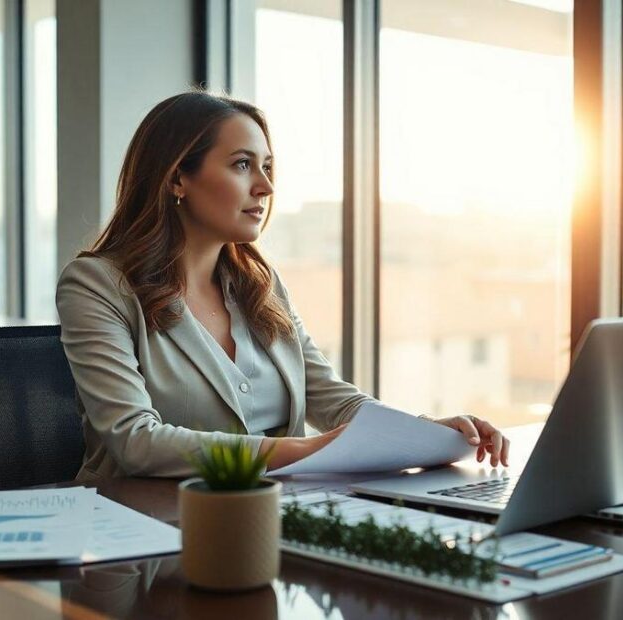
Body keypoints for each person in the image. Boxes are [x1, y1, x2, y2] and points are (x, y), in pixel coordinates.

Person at [56, 90, 509, 483]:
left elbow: (330, 397)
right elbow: (135, 441)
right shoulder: (98, 285)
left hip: (275, 516)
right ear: (178, 178)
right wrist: (313, 452)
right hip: (145, 528)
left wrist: (427, 434)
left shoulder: (258, 284)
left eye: (267, 167)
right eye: (242, 165)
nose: (266, 186)